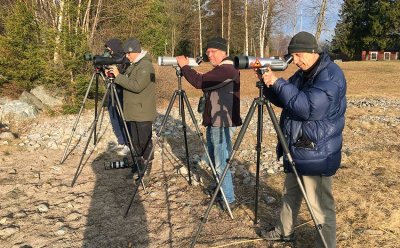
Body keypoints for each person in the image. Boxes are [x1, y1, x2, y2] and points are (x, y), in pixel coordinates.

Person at [259, 31, 346, 248]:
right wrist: (268, 84)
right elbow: (288, 100)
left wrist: (278, 83)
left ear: (313, 51)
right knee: (290, 193)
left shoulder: (331, 75)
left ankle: (326, 245)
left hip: (318, 150)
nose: (296, 61)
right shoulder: (302, 74)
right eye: (293, 56)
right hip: (298, 147)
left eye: (299, 56)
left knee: (320, 206)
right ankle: (285, 232)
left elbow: (308, 108)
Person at [176, 37, 242, 210]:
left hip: (222, 122)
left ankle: (229, 198)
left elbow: (200, 81)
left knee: (221, 161)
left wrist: (184, 66)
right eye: (207, 53)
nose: (209, 56)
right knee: (214, 156)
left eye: (212, 52)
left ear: (223, 52)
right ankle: (221, 188)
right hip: (216, 121)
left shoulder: (227, 69)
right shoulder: (222, 69)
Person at [107, 38, 156, 170]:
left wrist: (118, 76)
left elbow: (137, 86)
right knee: (136, 141)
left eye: (129, 54)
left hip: (142, 112)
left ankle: (147, 167)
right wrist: (114, 76)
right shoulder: (135, 64)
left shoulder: (145, 66)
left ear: (136, 51)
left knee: (144, 142)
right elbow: (126, 81)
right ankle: (139, 164)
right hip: (134, 111)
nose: (127, 57)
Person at [104, 38, 130, 156]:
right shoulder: (110, 57)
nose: (109, 50)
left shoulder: (125, 59)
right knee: (113, 115)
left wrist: (117, 72)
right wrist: (106, 71)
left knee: (125, 117)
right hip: (112, 90)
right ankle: (121, 140)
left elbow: (126, 75)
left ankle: (129, 143)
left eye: (109, 48)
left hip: (122, 91)